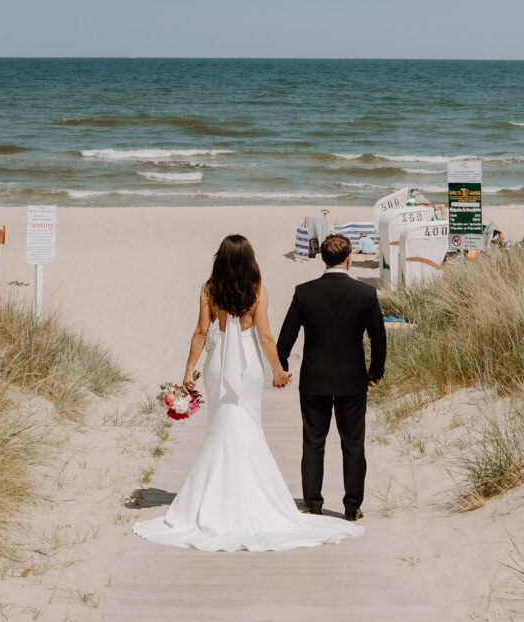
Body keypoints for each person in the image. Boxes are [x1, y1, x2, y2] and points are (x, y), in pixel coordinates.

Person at [133, 234, 364, 553]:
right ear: (250, 260)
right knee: (248, 427)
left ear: (221, 258)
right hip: (247, 366)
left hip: (217, 366)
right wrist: (278, 371)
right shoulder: (258, 290)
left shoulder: (209, 289)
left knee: (220, 427)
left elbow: (201, 331)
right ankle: (250, 497)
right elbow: (266, 337)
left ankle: (215, 498)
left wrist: (189, 369)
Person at [276, 233, 387, 521]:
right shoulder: (365, 294)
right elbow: (378, 338)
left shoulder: (304, 292)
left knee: (313, 442)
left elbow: (286, 336)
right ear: (349, 258)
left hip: (315, 378)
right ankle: (352, 507)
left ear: (322, 258)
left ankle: (313, 504)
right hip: (353, 380)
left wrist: (282, 367)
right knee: (353, 444)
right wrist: (375, 371)